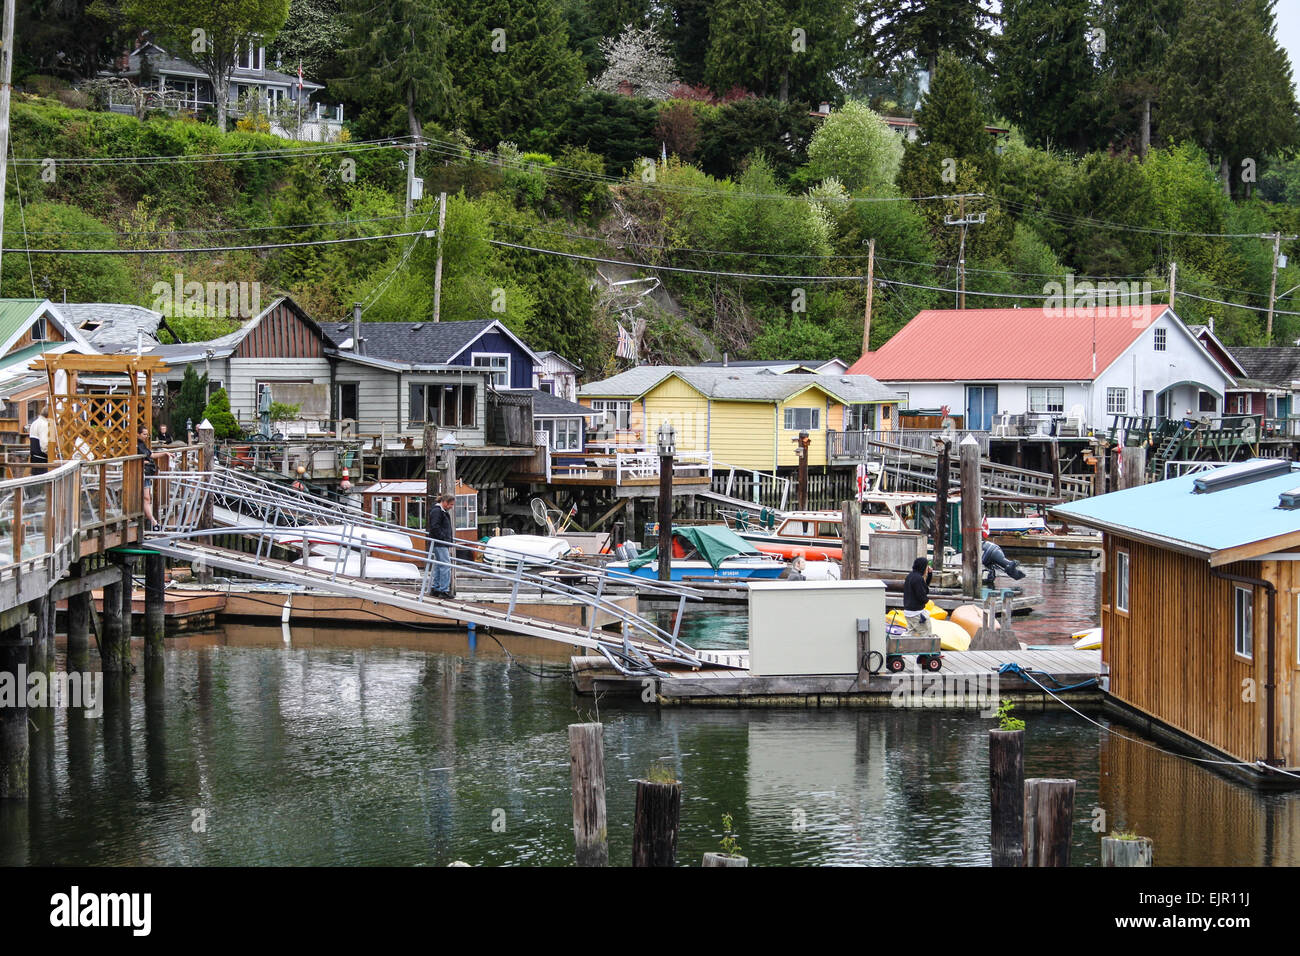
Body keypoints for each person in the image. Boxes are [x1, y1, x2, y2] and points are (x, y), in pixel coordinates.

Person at [138, 423, 165, 530]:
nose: (146, 436)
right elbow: (146, 456)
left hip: (146, 473)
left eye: (147, 435)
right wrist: (143, 461)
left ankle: (154, 522)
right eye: (144, 434)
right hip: (140, 473)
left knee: (147, 498)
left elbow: (151, 455)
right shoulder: (136, 445)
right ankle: (154, 523)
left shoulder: (142, 444)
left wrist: (165, 453)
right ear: (138, 434)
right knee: (146, 498)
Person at [428, 492, 456, 598]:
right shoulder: (438, 511)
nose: (451, 507)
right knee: (445, 565)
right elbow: (435, 527)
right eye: (450, 505)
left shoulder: (440, 511)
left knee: (439, 565)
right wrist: (444, 537)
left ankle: (436, 588)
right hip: (440, 542)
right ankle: (443, 590)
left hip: (440, 542)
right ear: (444, 502)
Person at [902, 556, 933, 638]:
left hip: (908, 611)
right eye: (927, 566)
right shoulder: (918, 579)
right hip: (916, 613)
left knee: (910, 634)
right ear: (923, 567)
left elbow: (924, 587)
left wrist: (929, 574)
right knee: (926, 633)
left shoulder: (910, 576)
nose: (927, 568)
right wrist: (927, 600)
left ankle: (904, 649)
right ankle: (927, 650)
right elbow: (921, 595)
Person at [28, 404, 49, 470]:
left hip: (34, 458)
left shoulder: (35, 422)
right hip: (42, 459)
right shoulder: (44, 424)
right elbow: (44, 444)